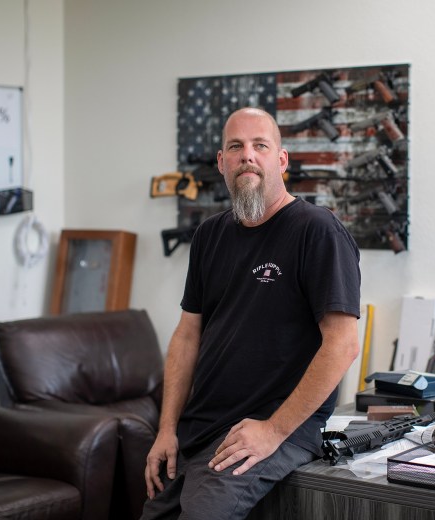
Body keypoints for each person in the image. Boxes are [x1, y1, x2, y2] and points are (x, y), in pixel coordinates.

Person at [141, 107, 361, 520]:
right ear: (222, 162)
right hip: (199, 428)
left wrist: (274, 430)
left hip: (271, 428)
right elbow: (187, 335)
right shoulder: (209, 235)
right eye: (236, 146)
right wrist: (167, 428)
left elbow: (343, 344)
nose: (248, 155)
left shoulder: (317, 231)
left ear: (281, 160)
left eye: (260, 145)